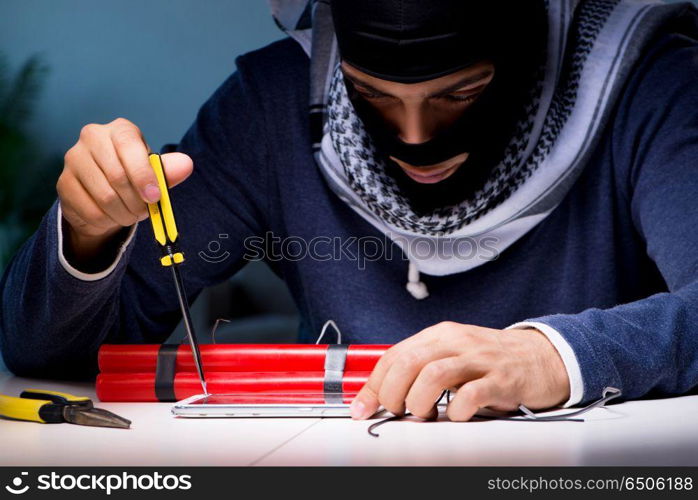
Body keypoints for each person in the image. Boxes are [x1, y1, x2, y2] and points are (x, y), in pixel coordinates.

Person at [2, 0, 698, 422]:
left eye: (461, 93)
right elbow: (48, 359)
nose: (417, 139)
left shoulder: (650, 87)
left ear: (536, 51)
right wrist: (89, 237)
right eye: (373, 95)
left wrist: (558, 356)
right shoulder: (269, 105)